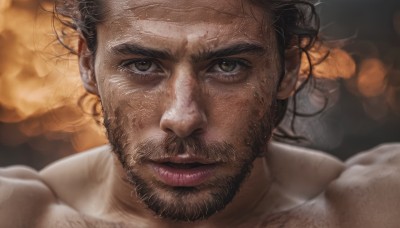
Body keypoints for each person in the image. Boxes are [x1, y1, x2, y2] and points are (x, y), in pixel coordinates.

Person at [1, 0, 400, 227]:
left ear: (288, 69)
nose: (183, 117)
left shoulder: (376, 208)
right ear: (88, 65)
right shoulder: (17, 214)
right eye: (142, 65)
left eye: (228, 66)